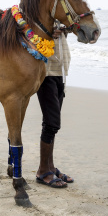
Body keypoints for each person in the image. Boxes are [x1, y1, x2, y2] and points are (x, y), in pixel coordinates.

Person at [35, 24, 74, 188]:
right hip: (46, 72)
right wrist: (49, 32)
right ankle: (42, 171)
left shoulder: (60, 14)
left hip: (60, 71)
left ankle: (50, 167)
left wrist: (65, 29)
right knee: (52, 123)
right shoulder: (40, 15)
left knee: (51, 125)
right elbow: (29, 32)